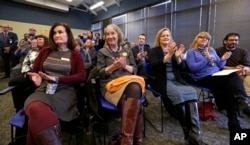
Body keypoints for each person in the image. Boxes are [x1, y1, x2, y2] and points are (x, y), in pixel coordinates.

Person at [23, 22, 86, 145]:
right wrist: (35, 78)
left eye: (60, 32)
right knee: (35, 108)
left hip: (66, 91)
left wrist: (57, 79)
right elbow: (34, 71)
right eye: (54, 33)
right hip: (44, 88)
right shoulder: (45, 51)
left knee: (35, 118)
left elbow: (82, 76)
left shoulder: (75, 54)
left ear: (68, 34)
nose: (56, 35)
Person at [148, 28, 207, 145]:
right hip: (162, 81)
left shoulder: (175, 50)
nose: (166, 37)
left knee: (192, 91)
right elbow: (154, 67)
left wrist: (178, 57)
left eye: (168, 36)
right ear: (159, 38)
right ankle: (187, 134)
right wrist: (169, 54)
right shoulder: (154, 51)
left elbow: (183, 68)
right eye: (163, 36)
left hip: (176, 80)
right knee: (179, 95)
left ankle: (195, 134)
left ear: (171, 38)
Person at [186, 31, 250, 132]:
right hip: (202, 77)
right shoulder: (191, 52)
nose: (204, 39)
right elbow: (193, 68)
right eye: (201, 37)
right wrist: (206, 59)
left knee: (232, 77)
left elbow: (219, 66)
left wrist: (223, 59)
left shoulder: (211, 50)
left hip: (216, 75)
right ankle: (240, 106)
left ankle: (241, 102)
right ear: (196, 39)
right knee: (228, 88)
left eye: (206, 38)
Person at [97, 24, 145, 144]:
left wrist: (124, 66)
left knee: (134, 89)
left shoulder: (126, 50)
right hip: (110, 86)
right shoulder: (102, 52)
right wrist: (113, 67)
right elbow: (101, 74)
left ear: (118, 35)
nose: (110, 36)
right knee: (136, 95)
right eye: (107, 34)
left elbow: (134, 69)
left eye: (112, 33)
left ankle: (127, 141)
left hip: (128, 84)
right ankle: (135, 141)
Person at [8, 35, 49, 145]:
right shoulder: (32, 51)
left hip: (40, 80)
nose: (38, 40)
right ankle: (19, 107)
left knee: (15, 84)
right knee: (15, 83)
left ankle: (21, 107)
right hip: (30, 75)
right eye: (37, 39)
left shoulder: (47, 52)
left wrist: (33, 74)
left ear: (45, 41)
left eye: (40, 39)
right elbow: (26, 62)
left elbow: (42, 68)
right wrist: (26, 72)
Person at [216, 33, 250, 97]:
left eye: (236, 40)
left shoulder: (243, 51)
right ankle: (244, 98)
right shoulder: (218, 51)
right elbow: (217, 66)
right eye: (231, 40)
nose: (234, 42)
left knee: (248, 73)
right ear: (225, 41)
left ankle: (247, 97)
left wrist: (242, 69)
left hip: (241, 72)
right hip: (225, 72)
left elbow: (248, 66)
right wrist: (235, 69)